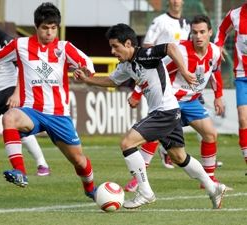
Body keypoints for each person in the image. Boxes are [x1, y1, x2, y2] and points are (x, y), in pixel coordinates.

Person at [74, 23, 226, 209]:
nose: (112, 51)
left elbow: (170, 47)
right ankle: (213, 188)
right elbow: (111, 80)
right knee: (179, 157)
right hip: (168, 112)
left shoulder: (145, 55)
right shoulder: (126, 66)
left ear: (128, 43)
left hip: (165, 112)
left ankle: (145, 192)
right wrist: (86, 79)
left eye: (115, 46)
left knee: (127, 143)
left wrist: (185, 71)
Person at [0, 2, 96, 200]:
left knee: (79, 161)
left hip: (59, 114)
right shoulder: (20, 45)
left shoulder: (64, 48)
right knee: (9, 117)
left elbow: (88, 66)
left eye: (53, 28)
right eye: (45, 28)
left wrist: (82, 73)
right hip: (32, 111)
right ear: (36, 27)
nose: (49, 32)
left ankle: (91, 189)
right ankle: (20, 172)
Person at [125, 15, 226, 192]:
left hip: (192, 101)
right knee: (154, 135)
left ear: (210, 32)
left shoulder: (215, 52)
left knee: (210, 134)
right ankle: (137, 180)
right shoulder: (181, 52)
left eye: (202, 32)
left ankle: (208, 180)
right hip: (171, 100)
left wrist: (218, 96)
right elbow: (154, 71)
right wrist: (137, 92)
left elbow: (215, 71)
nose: (198, 36)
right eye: (194, 32)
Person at [139, 0, 191, 170]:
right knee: (159, 118)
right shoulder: (160, 21)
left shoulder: (187, 25)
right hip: (160, 78)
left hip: (180, 79)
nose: (176, 1)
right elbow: (147, 45)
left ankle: (166, 148)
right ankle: (144, 167)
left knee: (202, 127)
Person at [0, 27, 50, 176]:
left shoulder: (3, 37)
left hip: (8, 88)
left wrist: (17, 93)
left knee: (20, 128)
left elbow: (22, 63)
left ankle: (42, 163)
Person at [214, 1, 247, 175]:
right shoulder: (235, 14)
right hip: (242, 76)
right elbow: (220, 31)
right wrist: (218, 47)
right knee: (243, 119)